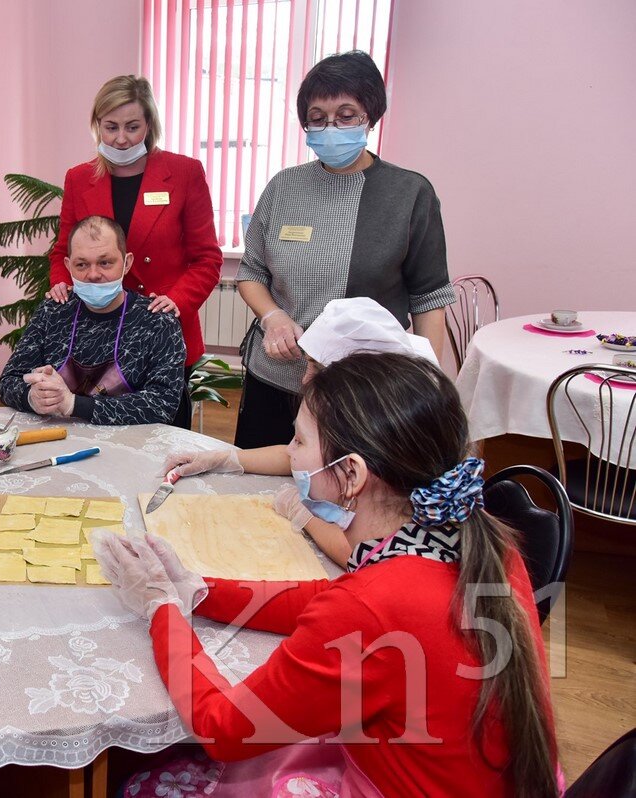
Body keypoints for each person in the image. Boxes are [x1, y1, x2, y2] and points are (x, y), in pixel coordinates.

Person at [94, 353, 561, 797]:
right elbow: (334, 598)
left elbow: (224, 729)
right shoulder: (479, 542)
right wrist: (199, 591)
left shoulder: (375, 603)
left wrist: (162, 609)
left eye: (298, 441)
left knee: (147, 781)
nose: (290, 455)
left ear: (352, 474)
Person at [234, 51, 454, 449]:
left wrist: (425, 378)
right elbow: (251, 271)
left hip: (360, 393)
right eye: (317, 117)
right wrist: (274, 316)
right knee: (258, 489)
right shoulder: (284, 187)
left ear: (370, 115)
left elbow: (429, 296)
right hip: (275, 378)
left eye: (346, 114)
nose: (330, 127)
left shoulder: (408, 194)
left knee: (344, 500)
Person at [165, 297, 439, 564]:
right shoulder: (373, 412)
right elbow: (296, 455)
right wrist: (224, 459)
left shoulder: (394, 445)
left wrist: (304, 514)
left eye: (316, 367)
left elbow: (360, 553)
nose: (305, 378)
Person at [47, 75, 222, 429]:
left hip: (162, 330)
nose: (121, 138)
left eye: (132, 126)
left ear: (150, 125)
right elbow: (63, 250)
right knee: (98, 435)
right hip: (98, 333)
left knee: (165, 436)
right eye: (110, 127)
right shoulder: (79, 178)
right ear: (97, 125)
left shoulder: (185, 173)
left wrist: (177, 301)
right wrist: (62, 282)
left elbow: (207, 258)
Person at [0, 216, 185, 425]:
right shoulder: (53, 311)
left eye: (105, 263)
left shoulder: (157, 321)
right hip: (57, 441)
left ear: (127, 263)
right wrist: (32, 397)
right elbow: (8, 380)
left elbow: (163, 404)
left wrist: (73, 404)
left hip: (128, 448)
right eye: (81, 264)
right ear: (68, 266)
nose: (93, 274)